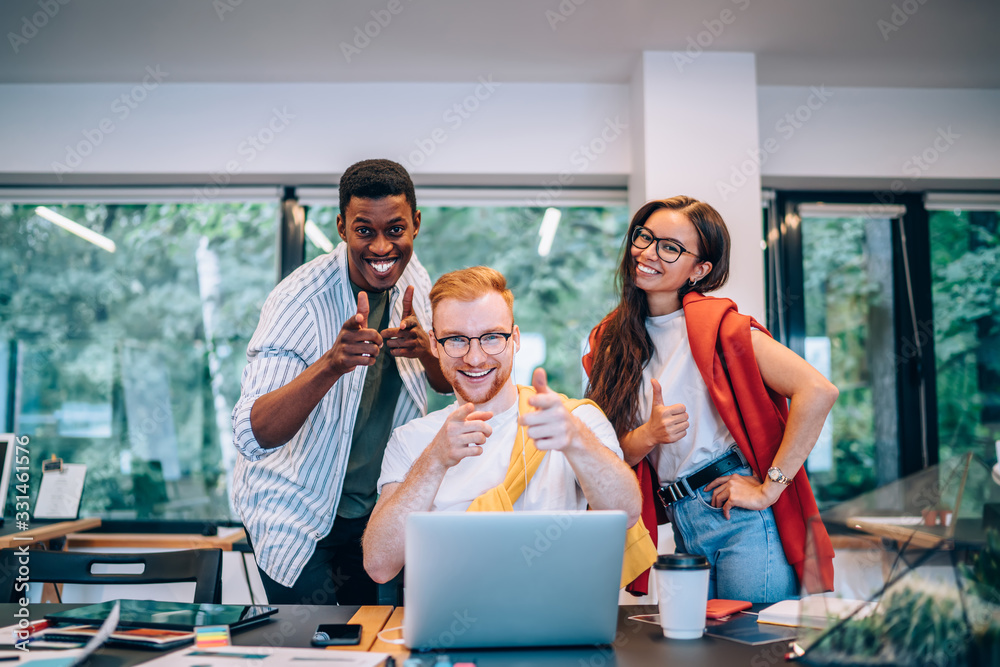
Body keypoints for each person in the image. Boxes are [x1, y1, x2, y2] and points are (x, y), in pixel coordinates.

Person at [583, 196, 838, 603]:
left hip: (740, 516)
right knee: (703, 654)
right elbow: (611, 456)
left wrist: (768, 490)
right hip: (683, 520)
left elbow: (819, 390)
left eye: (670, 247)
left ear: (700, 270)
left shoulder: (722, 328)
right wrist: (649, 434)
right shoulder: (611, 342)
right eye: (644, 237)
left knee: (750, 649)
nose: (647, 253)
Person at [231, 159, 451, 605]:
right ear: (341, 227)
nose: (382, 247)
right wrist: (331, 364)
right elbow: (253, 435)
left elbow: (445, 385)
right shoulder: (298, 302)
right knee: (312, 645)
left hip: (374, 511)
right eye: (364, 230)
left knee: (381, 635)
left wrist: (428, 351)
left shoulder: (416, 280)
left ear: (416, 225)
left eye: (396, 229)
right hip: (296, 514)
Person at [363, 266, 654, 586]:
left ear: (514, 339)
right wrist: (434, 460)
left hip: (554, 621)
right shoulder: (411, 440)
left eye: (491, 337)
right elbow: (379, 564)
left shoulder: (574, 421)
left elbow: (626, 512)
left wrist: (575, 440)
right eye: (457, 340)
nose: (475, 358)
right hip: (452, 623)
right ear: (434, 344)